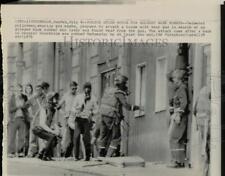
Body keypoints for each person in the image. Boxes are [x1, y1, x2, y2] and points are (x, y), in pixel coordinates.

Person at [98, 74, 143, 157]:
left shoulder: (108, 90)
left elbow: (114, 104)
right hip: (112, 117)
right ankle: (109, 156)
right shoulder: (119, 93)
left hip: (103, 115)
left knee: (103, 136)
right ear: (122, 84)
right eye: (125, 83)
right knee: (116, 137)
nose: (126, 85)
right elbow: (126, 106)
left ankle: (101, 155)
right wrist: (138, 107)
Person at [71, 82, 98, 161]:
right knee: (76, 136)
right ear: (83, 90)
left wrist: (92, 113)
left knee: (86, 138)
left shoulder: (93, 98)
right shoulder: (78, 97)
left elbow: (96, 109)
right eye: (86, 90)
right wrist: (78, 109)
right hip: (78, 118)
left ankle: (87, 156)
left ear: (90, 90)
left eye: (89, 90)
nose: (87, 92)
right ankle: (76, 156)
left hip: (86, 119)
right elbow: (72, 108)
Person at [167, 69, 188, 168]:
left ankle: (177, 161)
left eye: (174, 79)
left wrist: (179, 115)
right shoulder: (178, 89)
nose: (173, 81)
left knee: (175, 138)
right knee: (174, 138)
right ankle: (178, 160)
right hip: (176, 116)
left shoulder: (182, 89)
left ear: (179, 79)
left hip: (179, 117)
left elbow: (184, 103)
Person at [32, 92, 60, 161]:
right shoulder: (44, 108)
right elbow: (42, 124)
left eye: (56, 98)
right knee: (51, 137)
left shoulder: (53, 109)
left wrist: (57, 131)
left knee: (55, 139)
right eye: (54, 98)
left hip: (43, 128)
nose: (56, 100)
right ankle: (45, 156)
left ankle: (41, 154)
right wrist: (52, 131)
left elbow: (53, 122)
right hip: (37, 128)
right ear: (50, 99)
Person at [25, 84, 47, 157]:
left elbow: (46, 107)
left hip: (42, 119)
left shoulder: (45, 98)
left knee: (41, 136)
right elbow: (25, 106)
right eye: (37, 90)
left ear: (42, 90)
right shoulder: (32, 98)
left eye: (40, 90)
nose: (38, 91)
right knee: (33, 136)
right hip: (34, 119)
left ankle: (41, 152)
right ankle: (32, 152)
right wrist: (29, 115)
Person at [57, 81, 78, 158]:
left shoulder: (78, 96)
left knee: (74, 136)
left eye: (75, 89)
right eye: (73, 89)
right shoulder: (65, 96)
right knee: (67, 136)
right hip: (68, 118)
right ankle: (64, 153)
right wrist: (64, 114)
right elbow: (58, 106)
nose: (74, 90)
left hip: (75, 117)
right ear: (70, 88)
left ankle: (70, 154)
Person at [193, 86, 210, 176]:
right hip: (208, 121)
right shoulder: (212, 90)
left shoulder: (202, 90)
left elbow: (194, 110)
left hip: (201, 121)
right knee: (208, 146)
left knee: (204, 146)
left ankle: (205, 172)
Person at [8, 84, 28, 157]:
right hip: (14, 119)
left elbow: (26, 108)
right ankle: (11, 152)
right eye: (17, 90)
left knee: (21, 136)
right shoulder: (12, 98)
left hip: (22, 119)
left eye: (20, 90)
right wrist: (17, 107)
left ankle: (20, 152)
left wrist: (23, 107)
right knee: (12, 136)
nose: (19, 91)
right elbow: (9, 110)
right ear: (15, 91)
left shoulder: (24, 98)